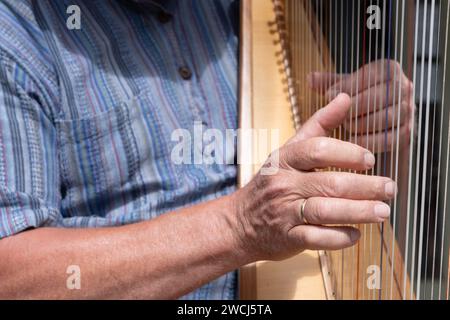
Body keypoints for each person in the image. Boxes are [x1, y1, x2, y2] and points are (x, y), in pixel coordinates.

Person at [0, 0, 413, 299]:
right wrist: (237, 227)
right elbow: (10, 273)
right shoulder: (17, 33)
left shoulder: (231, 10)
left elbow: (297, 169)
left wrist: (368, 121)